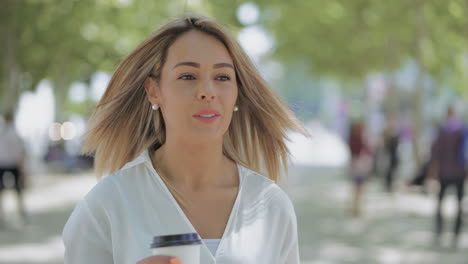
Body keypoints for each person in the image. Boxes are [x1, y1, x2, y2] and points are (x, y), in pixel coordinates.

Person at [63, 14, 307, 264]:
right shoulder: (108, 205)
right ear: (154, 91)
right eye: (188, 76)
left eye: (222, 77)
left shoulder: (271, 206)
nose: (207, 92)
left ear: (237, 94)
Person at [431, 105, 467, 248]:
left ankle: (440, 231)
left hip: (446, 172)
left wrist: (433, 169)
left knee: (442, 202)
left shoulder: (443, 130)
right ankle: (454, 234)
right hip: (458, 172)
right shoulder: (462, 129)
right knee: (458, 204)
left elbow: (435, 150)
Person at [0, 110, 28, 226]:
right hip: (9, 164)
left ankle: (20, 214)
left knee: (15, 190)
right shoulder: (11, 133)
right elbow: (21, 151)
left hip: (6, 164)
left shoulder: (7, 133)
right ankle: (22, 214)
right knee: (17, 191)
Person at [347, 120, 372, 217]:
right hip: (359, 166)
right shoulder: (358, 139)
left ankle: (355, 208)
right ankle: (356, 209)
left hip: (356, 165)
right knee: (359, 188)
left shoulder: (352, 138)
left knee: (357, 188)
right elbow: (367, 150)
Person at [382, 115, 400, 192]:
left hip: (394, 155)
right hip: (388, 154)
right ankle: (387, 186)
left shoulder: (395, 131)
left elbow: (397, 143)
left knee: (392, 171)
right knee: (387, 171)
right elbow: (385, 144)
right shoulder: (386, 132)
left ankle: (390, 185)